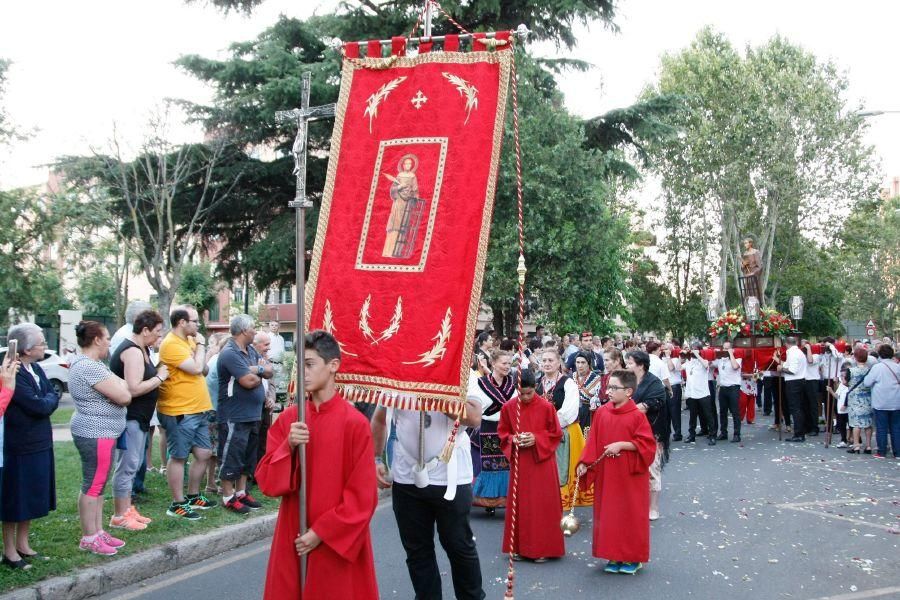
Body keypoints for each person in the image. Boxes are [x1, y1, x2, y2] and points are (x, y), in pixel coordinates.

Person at [257, 330, 378, 599]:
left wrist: (321, 532)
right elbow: (266, 480)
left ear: (333, 366)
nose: (304, 373)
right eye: (301, 366)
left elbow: (363, 496)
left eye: (310, 364)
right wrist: (288, 446)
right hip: (294, 530)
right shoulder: (290, 420)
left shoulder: (355, 424)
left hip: (334, 540)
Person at [372, 375, 485, 599]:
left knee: (458, 546)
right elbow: (379, 418)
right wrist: (375, 458)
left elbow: (474, 417)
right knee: (417, 551)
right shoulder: (397, 372)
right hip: (407, 477)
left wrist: (435, 393)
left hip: (451, 477)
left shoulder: (460, 370)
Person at [577, 369, 657, 575]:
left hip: (630, 475)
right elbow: (593, 441)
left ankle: (632, 557)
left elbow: (648, 446)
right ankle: (613, 554)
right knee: (610, 514)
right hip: (607, 473)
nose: (608, 391)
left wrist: (622, 444)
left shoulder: (637, 416)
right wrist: (584, 462)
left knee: (630, 515)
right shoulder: (602, 412)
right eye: (608, 387)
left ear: (629, 391)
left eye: (614, 387)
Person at [69, 321, 132, 556]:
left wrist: (121, 389)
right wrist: (121, 390)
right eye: (106, 337)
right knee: (93, 483)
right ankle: (89, 536)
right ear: (96, 339)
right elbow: (124, 395)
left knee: (99, 482)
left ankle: (98, 531)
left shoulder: (94, 364)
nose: (108, 342)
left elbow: (124, 389)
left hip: (105, 431)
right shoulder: (89, 367)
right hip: (96, 432)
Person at [2, 324, 58, 569]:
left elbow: (51, 396)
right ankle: (9, 550)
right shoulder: (11, 372)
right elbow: (39, 406)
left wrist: (47, 400)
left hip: (40, 441)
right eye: (41, 343)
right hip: (18, 445)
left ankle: (23, 544)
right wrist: (46, 401)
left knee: (32, 497)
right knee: (15, 499)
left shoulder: (35, 368)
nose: (45, 346)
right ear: (24, 349)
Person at [109, 310, 168, 531]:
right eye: (157, 332)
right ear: (144, 330)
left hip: (139, 418)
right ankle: (119, 515)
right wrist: (160, 377)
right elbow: (133, 388)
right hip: (131, 417)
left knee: (132, 465)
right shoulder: (132, 351)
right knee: (127, 466)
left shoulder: (141, 348)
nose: (159, 337)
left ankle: (128, 509)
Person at [157, 305, 218, 520]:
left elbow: (204, 369)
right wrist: (201, 347)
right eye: (194, 321)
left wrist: (199, 353)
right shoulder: (171, 344)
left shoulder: (189, 341)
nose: (197, 325)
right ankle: (177, 503)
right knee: (179, 456)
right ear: (182, 322)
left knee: (204, 453)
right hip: (179, 410)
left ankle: (193, 495)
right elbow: (195, 368)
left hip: (198, 408)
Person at [498, 369, 564, 563]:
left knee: (543, 505)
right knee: (521, 504)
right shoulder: (509, 407)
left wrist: (537, 438)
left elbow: (556, 434)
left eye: (529, 393)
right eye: (521, 393)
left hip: (542, 462)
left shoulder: (546, 407)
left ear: (535, 388)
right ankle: (518, 547)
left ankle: (543, 547)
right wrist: (513, 439)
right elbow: (503, 434)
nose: (525, 397)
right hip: (521, 462)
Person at [217, 315, 272, 514]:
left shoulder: (249, 351)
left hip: (252, 414)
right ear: (243, 331)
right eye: (253, 329)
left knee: (247, 457)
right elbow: (248, 381)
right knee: (232, 455)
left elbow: (269, 371)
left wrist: (255, 370)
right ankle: (227, 495)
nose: (255, 332)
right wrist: (258, 371)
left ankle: (241, 492)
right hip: (235, 414)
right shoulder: (230, 353)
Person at [537, 348, 591, 510]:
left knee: (561, 468)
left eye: (550, 360)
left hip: (564, 432)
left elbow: (569, 412)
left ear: (559, 362)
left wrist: (547, 426)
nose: (547, 364)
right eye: (544, 360)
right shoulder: (538, 382)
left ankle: (561, 504)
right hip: (542, 433)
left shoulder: (568, 383)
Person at [468, 349, 517, 514]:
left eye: (509, 364)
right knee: (485, 465)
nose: (507, 367)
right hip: (486, 429)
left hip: (505, 430)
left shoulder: (513, 384)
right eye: (504, 363)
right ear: (493, 363)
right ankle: (487, 500)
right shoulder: (480, 383)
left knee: (506, 466)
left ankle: (503, 499)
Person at [626, 350, 668, 521]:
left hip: (652, 432)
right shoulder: (626, 381)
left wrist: (623, 410)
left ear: (641, 365)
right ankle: (634, 505)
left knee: (652, 469)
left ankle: (653, 508)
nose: (627, 366)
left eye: (630, 363)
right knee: (630, 470)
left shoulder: (654, 383)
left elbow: (644, 407)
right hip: (629, 432)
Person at [864, 344, 900, 458]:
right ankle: (898, 452)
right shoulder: (897, 366)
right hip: (896, 401)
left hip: (881, 401)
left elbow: (867, 382)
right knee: (896, 428)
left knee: (881, 428)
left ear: (880, 354)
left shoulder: (877, 367)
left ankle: (882, 451)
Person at [204, 333, 229, 495]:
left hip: (210, 408)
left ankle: (210, 482)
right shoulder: (221, 361)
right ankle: (220, 484)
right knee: (220, 449)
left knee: (212, 449)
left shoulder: (214, 359)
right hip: (217, 411)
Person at [683, 343, 716, 445]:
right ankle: (691, 435)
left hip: (703, 393)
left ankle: (712, 435)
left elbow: (706, 365)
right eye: (691, 349)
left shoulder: (704, 361)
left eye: (695, 349)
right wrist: (681, 357)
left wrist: (698, 354)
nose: (692, 351)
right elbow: (678, 367)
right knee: (692, 416)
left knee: (708, 415)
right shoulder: (689, 362)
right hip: (692, 393)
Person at [776, 337, 807, 443]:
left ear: (786, 344)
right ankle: (800, 432)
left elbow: (792, 370)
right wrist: (779, 362)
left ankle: (799, 433)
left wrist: (782, 369)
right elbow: (788, 365)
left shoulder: (793, 353)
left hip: (794, 382)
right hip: (799, 381)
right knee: (798, 408)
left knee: (796, 409)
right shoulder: (797, 352)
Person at [845, 347, 874, 454]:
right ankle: (868, 446)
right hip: (868, 398)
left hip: (854, 399)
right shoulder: (870, 370)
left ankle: (856, 445)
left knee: (855, 423)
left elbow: (846, 383)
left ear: (856, 357)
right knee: (868, 423)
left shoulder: (851, 371)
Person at [715, 342, 743, 443]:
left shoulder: (737, 358)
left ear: (731, 349)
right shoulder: (720, 359)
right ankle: (723, 433)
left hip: (733, 388)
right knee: (722, 412)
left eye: (728, 348)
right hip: (723, 388)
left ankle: (737, 434)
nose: (725, 350)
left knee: (735, 412)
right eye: (724, 348)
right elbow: (709, 363)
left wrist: (731, 354)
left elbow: (735, 366)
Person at [572, 351, 602, 432]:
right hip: (572, 413)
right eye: (578, 362)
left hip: (589, 415)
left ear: (588, 364)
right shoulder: (570, 377)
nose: (580, 365)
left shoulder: (596, 379)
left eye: (583, 362)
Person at [663, 343, 683, 441]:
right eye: (664, 348)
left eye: (667, 349)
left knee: (675, 411)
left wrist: (668, 356)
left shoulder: (675, 359)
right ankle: (666, 433)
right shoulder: (661, 360)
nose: (665, 350)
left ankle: (678, 433)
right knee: (665, 412)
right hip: (664, 388)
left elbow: (671, 368)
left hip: (674, 386)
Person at [801, 341, 822, 437]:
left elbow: (810, 361)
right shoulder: (801, 356)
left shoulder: (816, 356)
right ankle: (807, 426)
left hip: (812, 381)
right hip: (804, 381)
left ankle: (814, 427)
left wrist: (809, 348)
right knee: (805, 405)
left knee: (813, 405)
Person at [827, 369, 850, 448]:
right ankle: (844, 440)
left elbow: (849, 396)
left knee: (851, 425)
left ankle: (855, 439)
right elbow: (837, 396)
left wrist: (845, 404)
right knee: (841, 425)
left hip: (847, 409)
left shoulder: (850, 385)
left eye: (844, 376)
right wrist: (831, 391)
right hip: (840, 409)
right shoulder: (841, 385)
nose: (842, 377)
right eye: (841, 376)